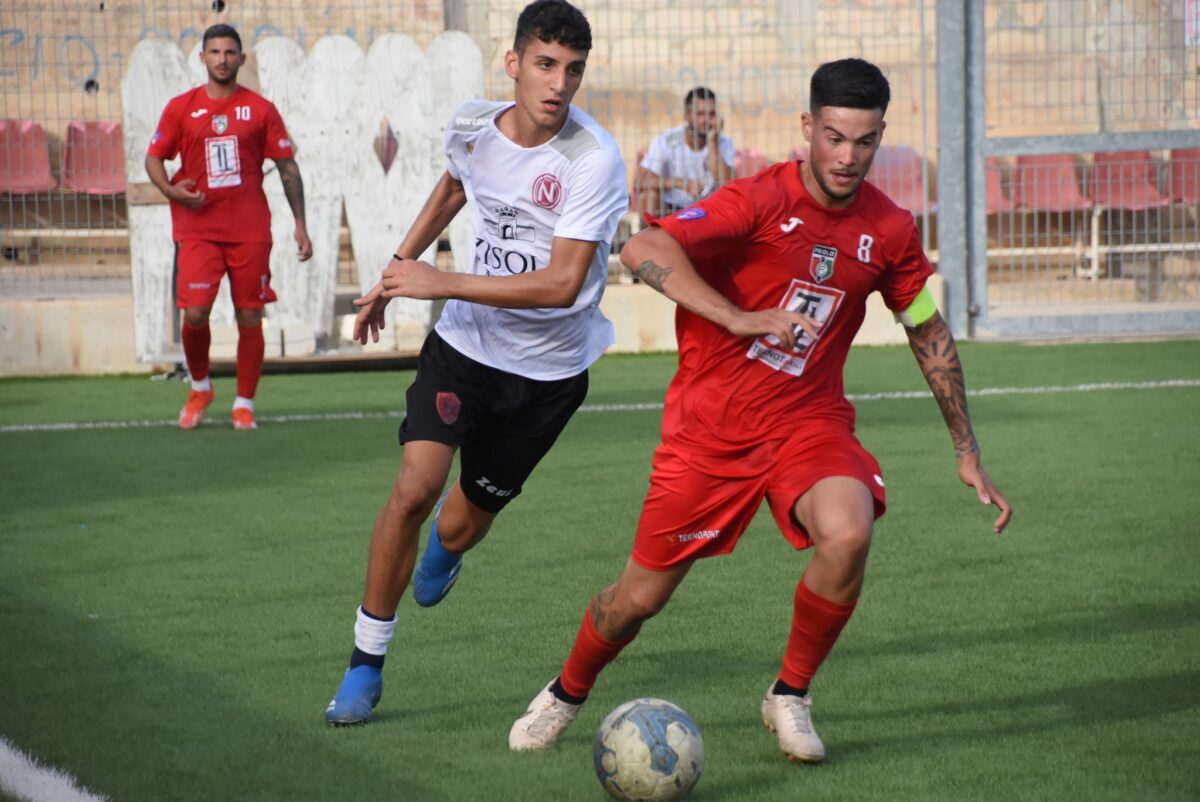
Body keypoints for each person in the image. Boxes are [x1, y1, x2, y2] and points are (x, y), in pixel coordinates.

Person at [509, 57, 1013, 762]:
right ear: (808, 127)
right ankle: (566, 691)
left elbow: (924, 327)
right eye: (834, 137)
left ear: (880, 137)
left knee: (849, 530)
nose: (847, 157)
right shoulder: (756, 201)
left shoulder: (891, 231)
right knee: (635, 602)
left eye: (864, 142)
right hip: (710, 434)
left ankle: (790, 694)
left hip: (809, 425)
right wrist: (738, 316)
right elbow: (642, 248)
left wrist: (966, 448)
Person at [323, 0, 628, 726]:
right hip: (465, 349)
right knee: (412, 488)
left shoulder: (593, 159)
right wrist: (397, 270)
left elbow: (560, 287)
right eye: (546, 65)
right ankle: (367, 661)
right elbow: (458, 187)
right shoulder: (470, 124)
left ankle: (449, 548)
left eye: (574, 71)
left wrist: (439, 279)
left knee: (459, 525)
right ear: (513, 63)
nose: (558, 85)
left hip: (548, 377)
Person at [145, 24, 313, 431]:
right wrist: (171, 190)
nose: (222, 59)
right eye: (214, 52)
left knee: (250, 315)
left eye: (229, 52)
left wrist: (301, 226)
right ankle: (200, 387)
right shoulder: (180, 108)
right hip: (198, 228)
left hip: (250, 229)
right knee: (197, 313)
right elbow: (154, 157)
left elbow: (288, 169)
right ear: (202, 58)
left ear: (241, 58)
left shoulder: (260, 110)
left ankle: (244, 403)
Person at [635, 86, 735, 219]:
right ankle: (649, 238)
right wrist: (681, 183)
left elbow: (729, 184)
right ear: (686, 115)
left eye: (710, 114)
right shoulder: (666, 141)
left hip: (708, 211)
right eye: (699, 114)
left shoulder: (722, 142)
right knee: (648, 195)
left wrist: (712, 142)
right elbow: (640, 181)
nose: (705, 120)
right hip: (671, 209)